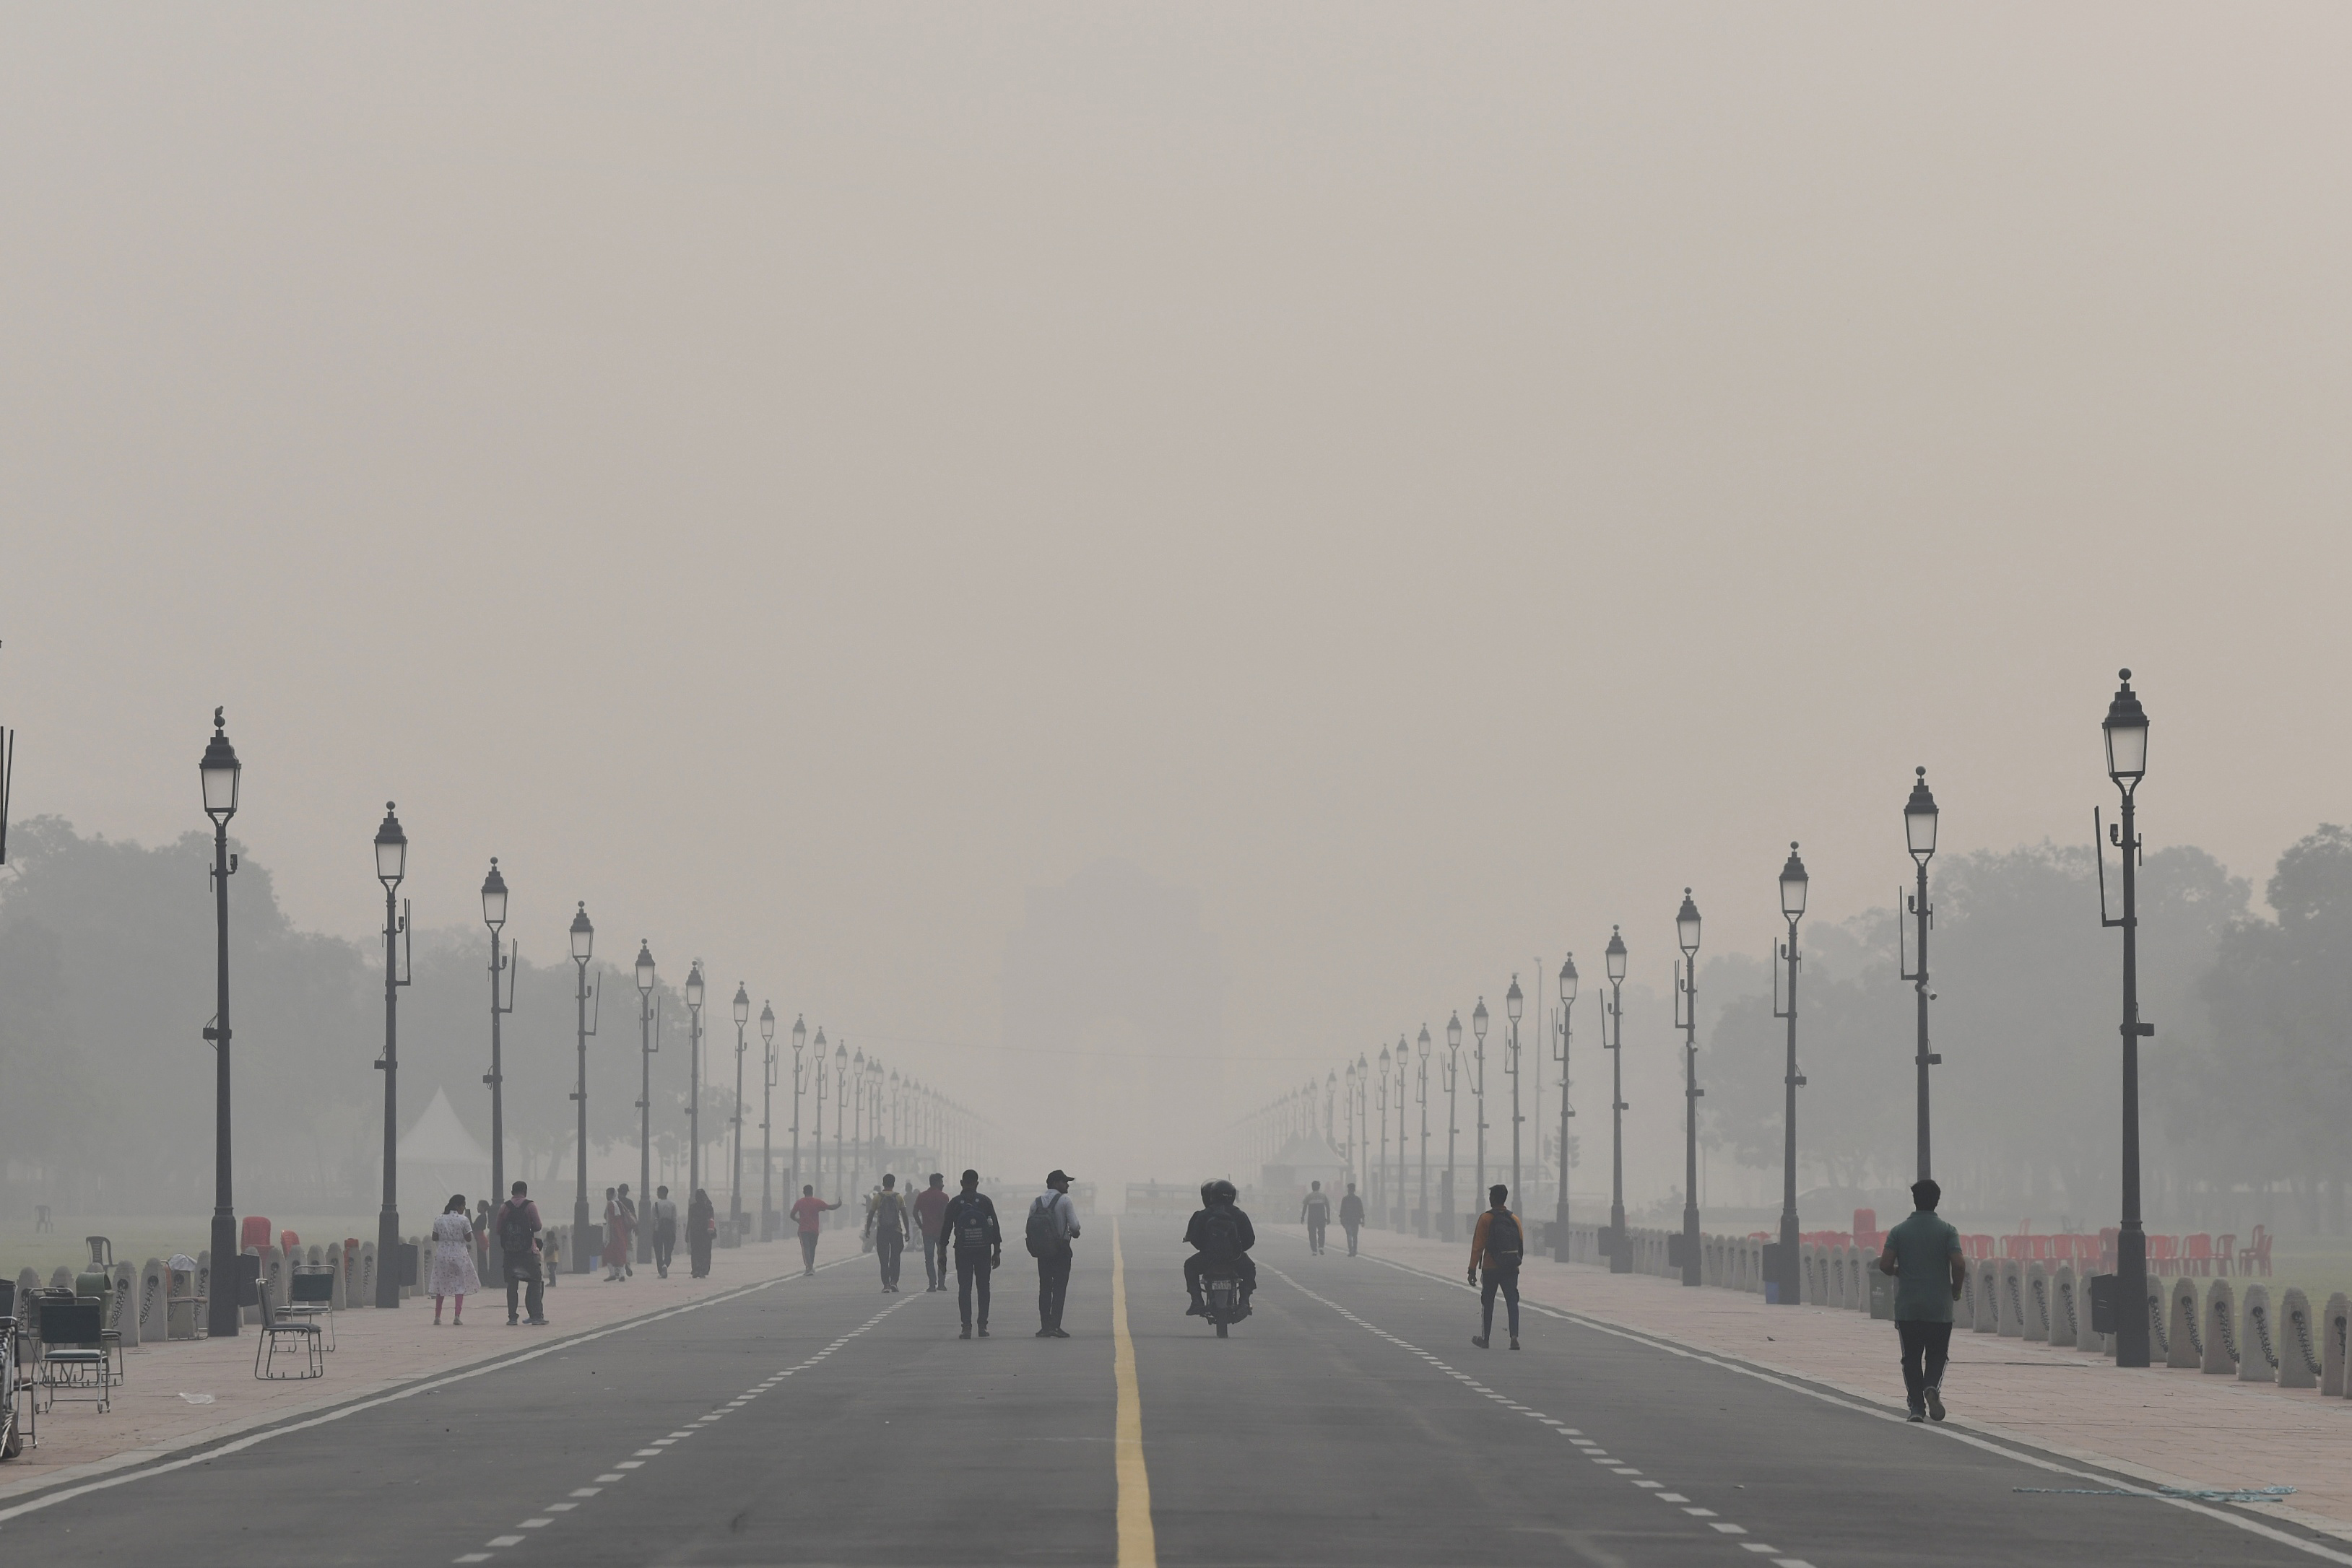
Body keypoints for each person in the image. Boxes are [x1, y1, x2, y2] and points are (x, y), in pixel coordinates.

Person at [1878, 1177, 1967, 1422]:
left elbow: (1885, 1264)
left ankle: (1916, 1407)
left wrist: (1899, 1271)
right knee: (1938, 1355)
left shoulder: (1899, 1231)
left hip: (1908, 1307)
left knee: (1911, 1358)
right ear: (1937, 1202)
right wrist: (1956, 1288)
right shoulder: (1948, 1231)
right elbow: (1959, 1263)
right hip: (1939, 1307)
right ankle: (1932, 1388)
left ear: (1915, 1201)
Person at [940, 1170, 1002, 1338]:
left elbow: (946, 1230)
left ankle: (966, 1327)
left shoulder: (954, 1203)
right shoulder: (985, 1201)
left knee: (964, 1288)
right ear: (977, 1183)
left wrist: (942, 1253)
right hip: (983, 1251)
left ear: (961, 1183)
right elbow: (995, 1227)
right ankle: (982, 1326)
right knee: (983, 1288)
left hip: (963, 1251)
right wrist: (996, 1252)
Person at [1184, 1179, 1257, 1317]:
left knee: (1189, 1266)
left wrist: (1205, 1249)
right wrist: (1238, 1251)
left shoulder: (1204, 1214)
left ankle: (1197, 1302)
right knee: (1249, 1269)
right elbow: (1250, 1240)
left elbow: (1195, 1238)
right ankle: (1244, 1303)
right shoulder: (1239, 1215)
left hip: (1208, 1258)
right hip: (1234, 1258)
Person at [1467, 1184, 1523, 1350]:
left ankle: (1485, 1339)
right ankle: (1514, 1337)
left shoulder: (1485, 1219)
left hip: (1491, 1268)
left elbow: (1478, 1246)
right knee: (1512, 1301)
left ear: (1493, 1199)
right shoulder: (1515, 1219)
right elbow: (1520, 1245)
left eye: (1491, 1196)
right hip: (1511, 1268)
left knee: (1488, 1302)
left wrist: (1472, 1269)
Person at [1027, 1170, 1081, 1338]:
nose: (1067, 1185)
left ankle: (1045, 1327)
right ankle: (1055, 1326)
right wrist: (1075, 1233)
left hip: (1043, 1251)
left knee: (1044, 1287)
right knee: (1059, 1288)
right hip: (1061, 1250)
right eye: (1065, 1182)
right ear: (1056, 1183)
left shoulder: (1036, 1203)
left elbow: (1029, 1228)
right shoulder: (1065, 1201)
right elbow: (1075, 1226)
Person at [495, 1180, 546, 1326]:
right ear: (525, 1191)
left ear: (512, 1191)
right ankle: (536, 1315)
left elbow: (498, 1230)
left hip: (510, 1251)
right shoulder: (530, 1205)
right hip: (528, 1251)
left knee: (512, 1285)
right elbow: (537, 1226)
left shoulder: (504, 1207)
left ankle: (512, 1317)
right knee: (535, 1282)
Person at [429, 1193, 482, 1325]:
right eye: (463, 1205)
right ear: (458, 1206)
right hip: (459, 1253)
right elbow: (469, 1238)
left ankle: (437, 1316)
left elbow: (434, 1237)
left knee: (441, 1285)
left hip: (442, 1253)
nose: (464, 1208)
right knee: (459, 1285)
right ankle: (457, 1316)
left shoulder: (439, 1219)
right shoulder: (463, 1220)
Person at [867, 1173, 911, 1292]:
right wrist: (907, 1231)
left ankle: (886, 1285)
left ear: (883, 1183)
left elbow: (871, 1214)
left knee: (883, 1259)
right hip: (896, 1231)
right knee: (895, 1258)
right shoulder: (898, 1197)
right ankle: (894, 1282)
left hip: (882, 1231)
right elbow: (905, 1216)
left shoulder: (877, 1197)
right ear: (893, 1184)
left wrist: (867, 1230)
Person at [914, 1172, 952, 1292]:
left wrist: (921, 1226)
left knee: (929, 1258)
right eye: (941, 1182)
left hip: (927, 1232)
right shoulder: (944, 1197)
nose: (943, 1185)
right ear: (936, 1183)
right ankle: (941, 1284)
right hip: (941, 1232)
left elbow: (915, 1212)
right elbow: (946, 1215)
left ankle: (931, 1284)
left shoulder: (922, 1196)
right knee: (942, 1256)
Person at [790, 1185, 838, 1276]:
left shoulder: (800, 1202)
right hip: (814, 1230)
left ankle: (809, 1268)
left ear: (804, 1192)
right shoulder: (817, 1202)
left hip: (804, 1230)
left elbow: (792, 1215)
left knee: (806, 1249)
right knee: (812, 1249)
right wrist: (839, 1204)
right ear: (812, 1192)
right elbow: (830, 1207)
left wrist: (797, 1220)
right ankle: (810, 1267)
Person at [601, 1187, 630, 1281]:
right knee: (620, 1253)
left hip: (613, 1232)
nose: (607, 1196)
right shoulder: (619, 1203)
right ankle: (622, 1275)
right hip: (622, 1231)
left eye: (608, 1194)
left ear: (612, 1194)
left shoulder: (610, 1204)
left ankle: (612, 1274)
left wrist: (612, 1234)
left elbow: (611, 1219)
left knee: (608, 1253)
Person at [650, 1185, 679, 1279]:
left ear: (662, 1193)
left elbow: (652, 1220)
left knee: (658, 1251)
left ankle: (661, 1268)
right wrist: (674, 1231)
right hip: (669, 1230)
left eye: (658, 1192)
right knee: (668, 1251)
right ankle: (665, 1265)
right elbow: (674, 1219)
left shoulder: (656, 1204)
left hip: (658, 1230)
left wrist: (652, 1232)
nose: (657, 1194)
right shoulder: (672, 1204)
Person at [688, 1187, 716, 1279]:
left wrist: (687, 1233)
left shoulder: (694, 1207)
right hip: (704, 1233)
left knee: (696, 1251)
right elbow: (712, 1219)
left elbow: (690, 1221)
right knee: (704, 1251)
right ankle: (702, 1270)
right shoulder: (708, 1207)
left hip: (697, 1232)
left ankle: (697, 1269)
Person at [1301, 1180, 1332, 1255]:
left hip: (1312, 1218)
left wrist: (1302, 1217)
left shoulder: (1309, 1196)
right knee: (1321, 1232)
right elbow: (1328, 1207)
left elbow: (1305, 1207)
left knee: (1312, 1234)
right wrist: (1328, 1217)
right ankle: (1321, 1246)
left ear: (1312, 1187)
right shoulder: (1323, 1196)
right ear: (1319, 1187)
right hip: (1321, 1217)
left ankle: (1314, 1250)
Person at [1338, 1182, 1366, 1257]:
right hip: (1356, 1220)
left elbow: (1342, 1210)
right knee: (1355, 1236)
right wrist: (1363, 1220)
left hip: (1347, 1220)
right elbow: (1361, 1210)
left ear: (1348, 1190)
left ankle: (1351, 1250)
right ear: (1354, 1190)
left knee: (1349, 1235)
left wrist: (1342, 1219)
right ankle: (1355, 1250)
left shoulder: (1345, 1199)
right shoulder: (1358, 1199)